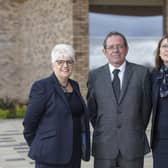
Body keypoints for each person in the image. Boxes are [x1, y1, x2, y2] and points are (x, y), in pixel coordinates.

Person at [87, 31, 152, 168]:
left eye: (120, 46)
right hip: (104, 146)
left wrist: (133, 128)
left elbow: (146, 109)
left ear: (126, 49)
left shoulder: (142, 74)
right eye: (111, 47)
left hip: (132, 145)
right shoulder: (94, 76)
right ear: (104, 51)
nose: (115, 50)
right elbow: (93, 112)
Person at [23, 44, 90, 168]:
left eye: (69, 61)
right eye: (60, 62)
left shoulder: (75, 85)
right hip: (50, 156)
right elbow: (29, 123)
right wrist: (41, 144)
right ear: (53, 64)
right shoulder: (42, 87)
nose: (65, 65)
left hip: (74, 153)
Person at [150, 35, 168, 168]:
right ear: (159, 52)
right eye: (164, 46)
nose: (167, 50)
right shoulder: (153, 76)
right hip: (160, 140)